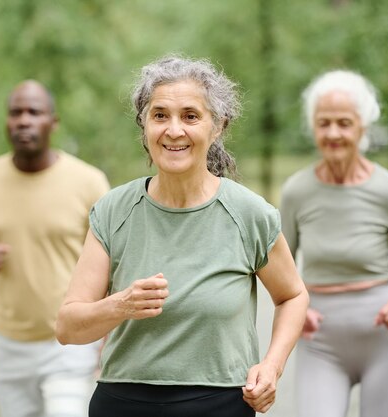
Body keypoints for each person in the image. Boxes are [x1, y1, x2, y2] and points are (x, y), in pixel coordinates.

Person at [56, 54, 309, 417]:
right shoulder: (112, 211)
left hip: (219, 402)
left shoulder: (249, 214)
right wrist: (120, 305)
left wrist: (271, 366)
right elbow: (68, 328)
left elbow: (293, 295)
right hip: (124, 402)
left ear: (217, 125)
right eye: (160, 115)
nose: (174, 130)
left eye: (190, 116)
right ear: (143, 124)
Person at [0, 79, 111, 417]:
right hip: (8, 341)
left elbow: (112, 260)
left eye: (34, 112)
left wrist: (104, 333)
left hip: (70, 340)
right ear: (6, 122)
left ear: (52, 123)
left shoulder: (89, 182)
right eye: (15, 113)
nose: (24, 120)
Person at [280, 69, 388, 417]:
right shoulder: (296, 191)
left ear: (363, 128)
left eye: (344, 123)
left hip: (384, 339)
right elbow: (275, 267)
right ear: (313, 126)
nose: (333, 133)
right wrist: (295, 310)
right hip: (319, 341)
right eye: (323, 123)